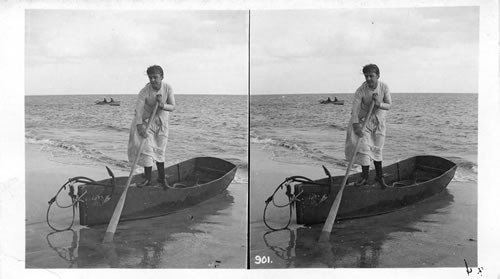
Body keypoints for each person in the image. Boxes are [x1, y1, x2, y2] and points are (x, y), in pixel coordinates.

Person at [127, 65, 176, 189]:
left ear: (162, 77)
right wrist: (139, 126)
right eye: (150, 77)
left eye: (155, 77)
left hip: (161, 122)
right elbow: (138, 110)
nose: (153, 80)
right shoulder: (144, 91)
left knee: (160, 150)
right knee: (147, 150)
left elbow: (173, 106)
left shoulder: (167, 88)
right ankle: (147, 179)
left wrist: (162, 105)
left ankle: (161, 178)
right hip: (145, 122)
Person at [345, 64, 392, 189]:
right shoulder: (361, 90)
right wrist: (356, 126)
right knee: (364, 149)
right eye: (367, 76)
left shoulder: (384, 87)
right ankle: (364, 177)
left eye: (372, 76)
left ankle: (379, 176)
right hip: (362, 121)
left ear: (378, 76)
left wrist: (378, 103)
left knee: (377, 149)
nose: (369, 78)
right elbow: (354, 109)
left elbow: (389, 105)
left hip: (379, 122)